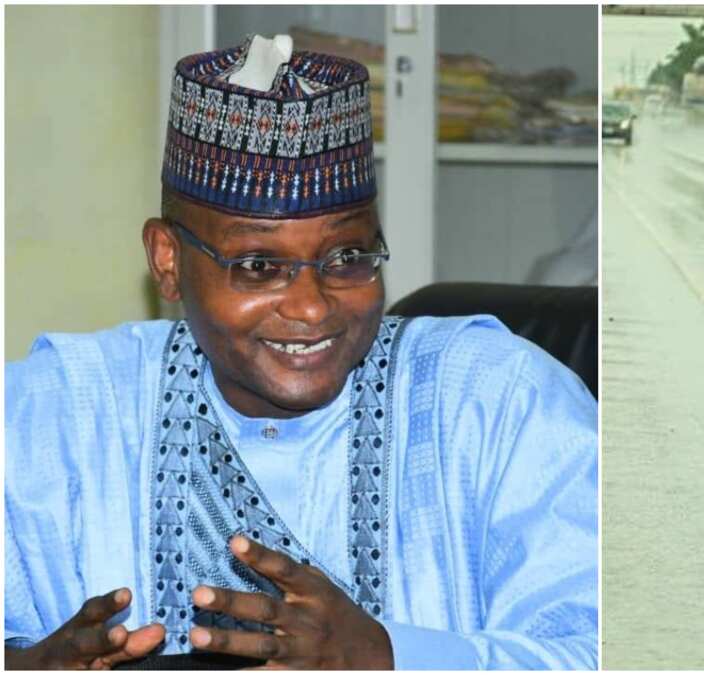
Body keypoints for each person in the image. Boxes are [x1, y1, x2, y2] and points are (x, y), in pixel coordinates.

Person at [5, 36, 597, 669]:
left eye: (348, 257)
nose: (313, 307)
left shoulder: (498, 398)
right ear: (168, 261)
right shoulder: (55, 408)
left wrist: (391, 657)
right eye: (259, 265)